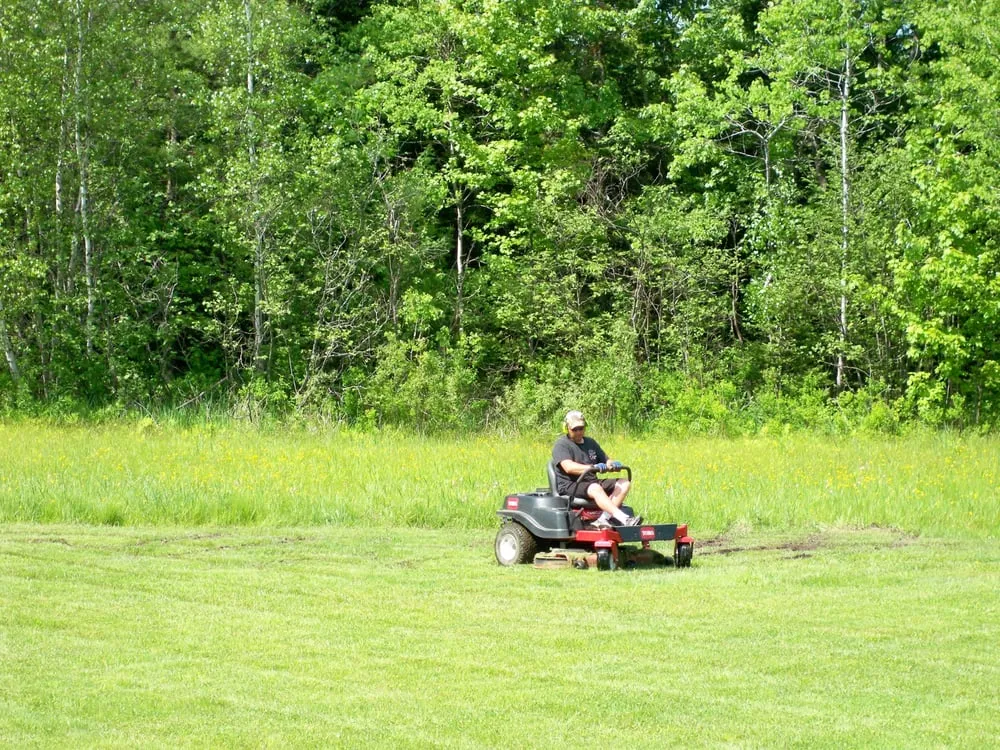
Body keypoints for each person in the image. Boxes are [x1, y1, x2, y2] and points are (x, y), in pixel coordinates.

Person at [552, 410, 642, 528]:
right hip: (571, 484)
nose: (579, 432)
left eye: (581, 428)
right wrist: (592, 467)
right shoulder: (561, 445)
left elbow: (605, 460)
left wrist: (612, 464)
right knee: (595, 488)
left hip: (591, 482)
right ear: (566, 428)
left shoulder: (590, 442)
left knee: (624, 483)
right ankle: (624, 518)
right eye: (575, 429)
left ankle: (603, 520)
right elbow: (568, 467)